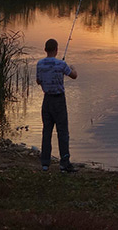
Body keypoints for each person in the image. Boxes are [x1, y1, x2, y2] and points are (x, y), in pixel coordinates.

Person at [36, 38, 78, 172]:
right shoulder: (61, 64)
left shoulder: (40, 64)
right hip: (59, 101)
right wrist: (72, 67)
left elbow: (38, 81)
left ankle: (45, 164)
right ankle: (64, 164)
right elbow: (74, 76)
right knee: (63, 132)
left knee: (46, 132)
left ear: (45, 50)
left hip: (46, 100)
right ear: (56, 50)